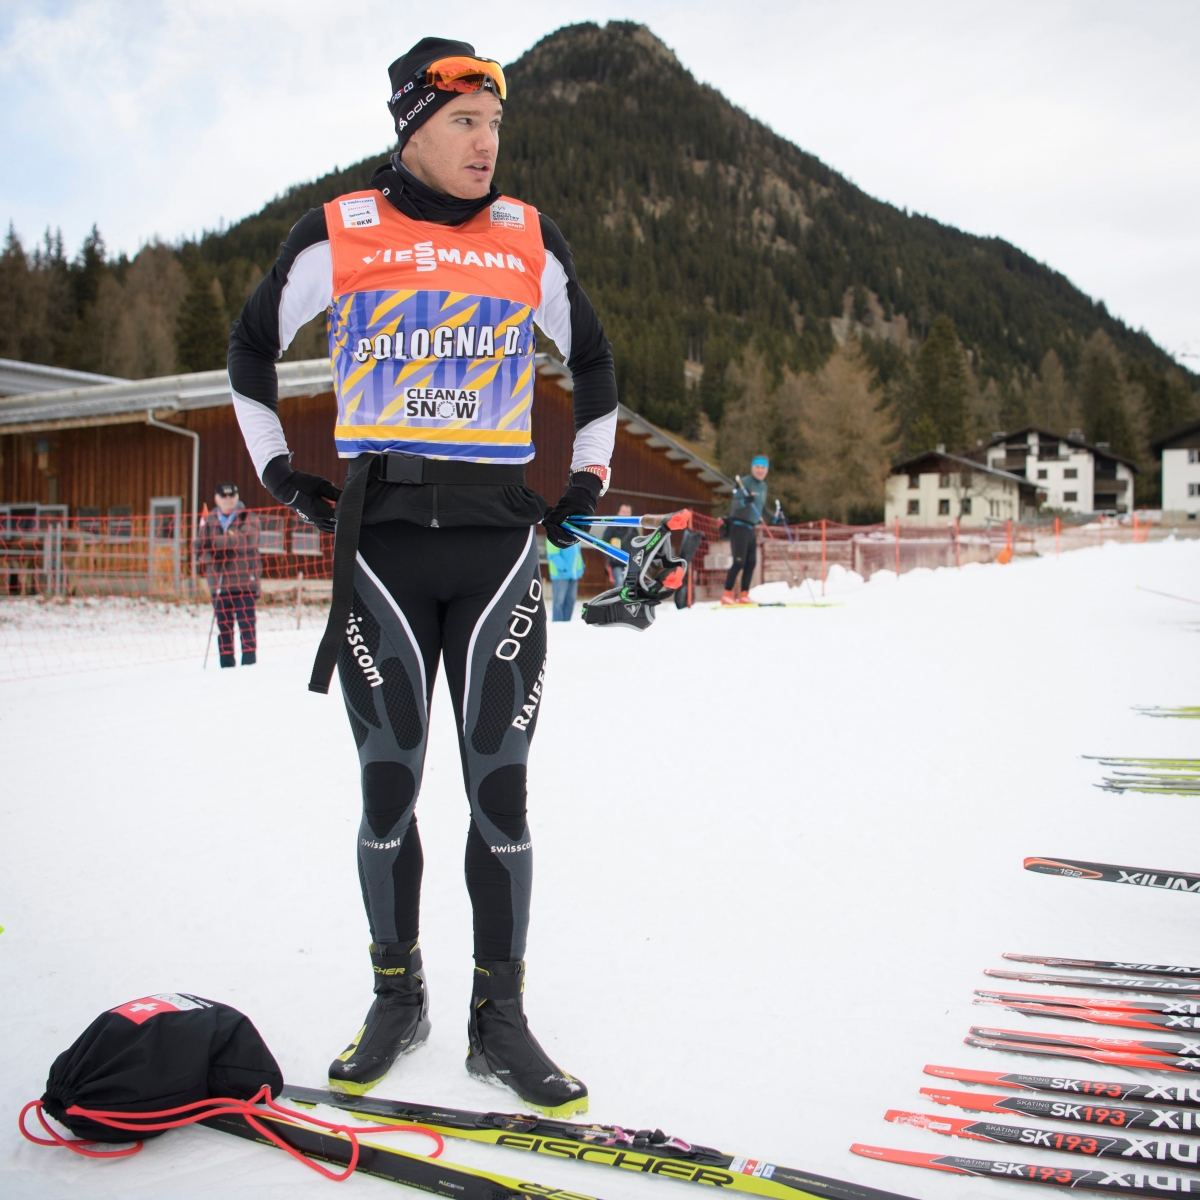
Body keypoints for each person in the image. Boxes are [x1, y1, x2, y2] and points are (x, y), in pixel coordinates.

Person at [226, 37, 617, 1117]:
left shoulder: (525, 237)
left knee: (501, 790)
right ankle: (398, 996)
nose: (487, 142)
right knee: (388, 790)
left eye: (495, 124)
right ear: (412, 124)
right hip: (383, 550)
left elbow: (594, 364)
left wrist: (583, 486)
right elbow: (249, 349)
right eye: (464, 122)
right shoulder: (341, 231)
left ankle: (501, 1020)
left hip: (497, 548)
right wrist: (281, 476)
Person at [197, 484, 261, 666]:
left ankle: (249, 665)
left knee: (247, 628)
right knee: (224, 629)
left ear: (237, 497)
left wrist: (215, 544)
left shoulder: (249, 517)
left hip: (245, 583)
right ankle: (226, 666)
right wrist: (212, 554)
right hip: (219, 584)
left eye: (232, 495)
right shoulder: (208, 521)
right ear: (217, 499)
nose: (228, 499)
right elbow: (198, 547)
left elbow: (247, 542)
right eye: (223, 496)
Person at [722, 455, 772, 605]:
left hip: (751, 527)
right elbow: (735, 504)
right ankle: (727, 594)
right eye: (757, 467)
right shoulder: (744, 483)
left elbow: (761, 508)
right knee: (739, 562)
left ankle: (744, 594)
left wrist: (775, 519)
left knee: (751, 562)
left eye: (763, 467)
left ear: (767, 470)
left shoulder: (763, 487)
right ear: (752, 468)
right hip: (739, 525)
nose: (760, 470)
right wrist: (744, 501)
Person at [546, 538, 584, 620]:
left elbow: (577, 554)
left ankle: (566, 623)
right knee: (559, 602)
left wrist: (581, 567)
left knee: (571, 600)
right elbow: (553, 555)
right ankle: (558, 623)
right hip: (561, 574)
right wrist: (564, 568)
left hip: (574, 574)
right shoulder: (554, 534)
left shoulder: (574, 536)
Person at [601, 502, 634, 588]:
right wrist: (611, 556)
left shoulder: (634, 529)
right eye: (623, 512)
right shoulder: (612, 527)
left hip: (631, 564)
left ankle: (628, 601)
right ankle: (618, 601)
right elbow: (603, 543)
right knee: (620, 581)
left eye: (628, 512)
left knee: (631, 585)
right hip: (617, 564)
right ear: (618, 513)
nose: (626, 514)